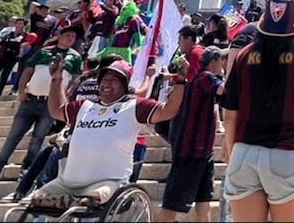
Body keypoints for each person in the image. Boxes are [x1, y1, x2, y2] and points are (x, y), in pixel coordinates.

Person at [221, 0, 294, 222]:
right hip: (287, 152)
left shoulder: (242, 55)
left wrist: (232, 151)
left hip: (243, 153)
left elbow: (229, 115)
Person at [28, 57, 184, 209]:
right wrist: (56, 79)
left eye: (114, 80)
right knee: (34, 200)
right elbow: (56, 110)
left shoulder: (135, 105)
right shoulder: (84, 106)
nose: (107, 83)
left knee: (89, 201)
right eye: (104, 79)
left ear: (124, 86)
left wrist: (181, 81)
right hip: (66, 183)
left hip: (107, 183)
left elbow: (168, 110)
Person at [0, 25, 83, 185]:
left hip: (50, 104)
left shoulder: (75, 57)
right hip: (30, 99)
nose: (70, 39)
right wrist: (21, 91)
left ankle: (26, 168)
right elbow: (27, 71)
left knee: (38, 137)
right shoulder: (43, 51)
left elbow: (74, 80)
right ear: (59, 36)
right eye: (67, 35)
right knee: (14, 135)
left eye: (73, 37)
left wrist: (66, 96)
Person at [161, 47, 226, 221]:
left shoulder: (200, 78)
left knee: (203, 201)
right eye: (222, 59)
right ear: (213, 61)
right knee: (172, 203)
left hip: (204, 152)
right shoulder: (205, 77)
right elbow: (224, 90)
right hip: (191, 151)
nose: (224, 63)